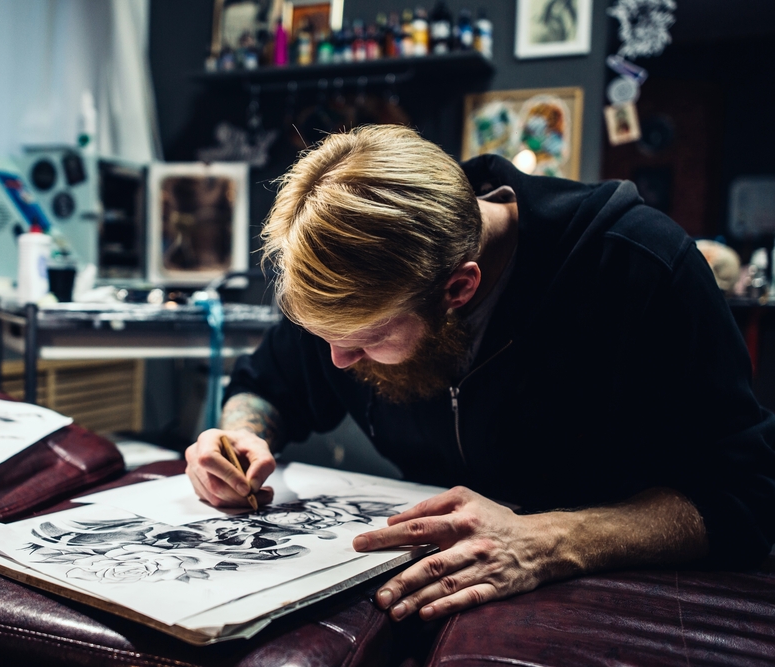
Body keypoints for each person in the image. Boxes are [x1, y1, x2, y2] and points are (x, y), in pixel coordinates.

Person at [184, 125, 775, 623]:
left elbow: (747, 496)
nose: (338, 361)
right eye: (326, 339)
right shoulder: (360, 278)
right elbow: (266, 386)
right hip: (435, 585)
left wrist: (547, 540)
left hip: (589, 591)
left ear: (458, 288)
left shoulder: (638, 267)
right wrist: (240, 435)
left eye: (367, 341)